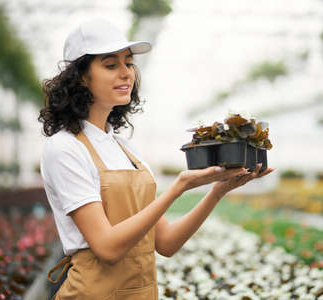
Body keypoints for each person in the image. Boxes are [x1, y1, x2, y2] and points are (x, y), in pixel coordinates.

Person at [38, 19, 274, 300]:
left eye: (128, 63)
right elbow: (107, 248)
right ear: (80, 77)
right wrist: (177, 189)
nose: (126, 73)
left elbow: (166, 243)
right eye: (110, 65)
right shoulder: (65, 148)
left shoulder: (125, 149)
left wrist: (217, 191)